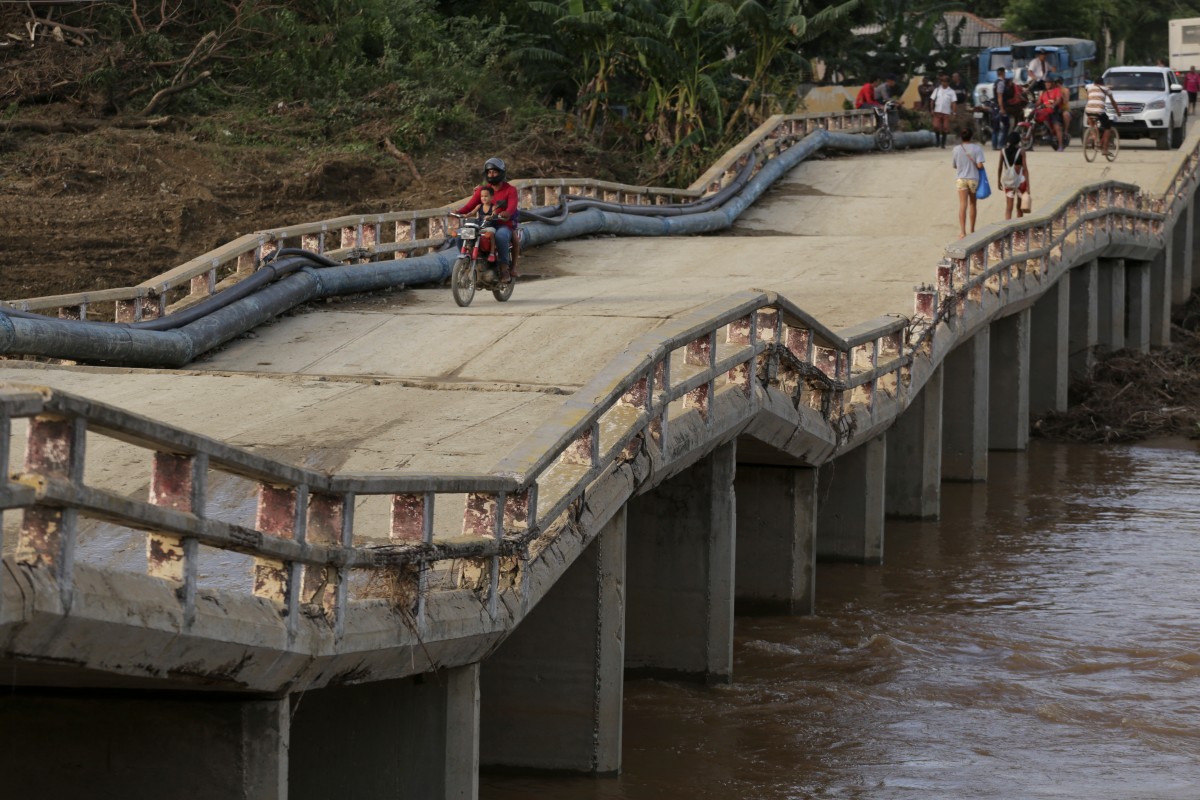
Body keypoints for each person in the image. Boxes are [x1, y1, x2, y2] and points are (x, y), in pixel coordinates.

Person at [456, 157, 519, 279]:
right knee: (461, 235)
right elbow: (470, 205)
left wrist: (507, 213)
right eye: (489, 172)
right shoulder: (483, 190)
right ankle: (468, 261)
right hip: (484, 224)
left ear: (501, 173)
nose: (492, 174)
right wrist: (457, 212)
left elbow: (512, 206)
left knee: (500, 236)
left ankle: (504, 267)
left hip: (502, 224)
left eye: (495, 172)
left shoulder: (510, 190)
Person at [952, 127, 987, 238]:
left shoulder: (956, 149)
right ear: (971, 137)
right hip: (973, 179)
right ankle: (972, 229)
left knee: (963, 204)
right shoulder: (977, 148)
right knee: (973, 204)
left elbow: (954, 165)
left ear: (961, 137)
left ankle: (962, 231)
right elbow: (980, 165)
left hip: (961, 179)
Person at [997, 131, 1030, 220]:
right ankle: (1018, 233)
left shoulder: (1003, 151)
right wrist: (1028, 186)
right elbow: (1025, 169)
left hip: (1008, 181)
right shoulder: (1021, 151)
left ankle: (1007, 228)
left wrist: (998, 181)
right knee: (1019, 208)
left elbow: (999, 168)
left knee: (1009, 208)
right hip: (1020, 181)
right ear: (1018, 141)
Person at [1084, 75, 1117, 157]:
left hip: (1088, 110)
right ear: (1102, 83)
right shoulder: (1106, 89)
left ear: (1094, 83)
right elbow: (1113, 102)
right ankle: (1105, 149)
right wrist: (1118, 112)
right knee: (1107, 127)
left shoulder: (1089, 87)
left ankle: (1094, 136)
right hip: (1099, 111)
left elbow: (1087, 87)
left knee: (1091, 122)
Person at [1034, 75, 1066, 151]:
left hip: (1053, 111)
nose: (1047, 84)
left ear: (1052, 83)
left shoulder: (1057, 90)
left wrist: (1054, 105)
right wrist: (1032, 105)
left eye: (1049, 83)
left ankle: (1061, 145)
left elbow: (1058, 100)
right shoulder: (1044, 93)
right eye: (1046, 83)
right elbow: (1038, 102)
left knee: (1057, 127)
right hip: (1044, 112)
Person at [930, 74, 957, 148]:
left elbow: (954, 103)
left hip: (946, 112)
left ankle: (943, 143)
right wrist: (932, 109)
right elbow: (932, 100)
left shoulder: (951, 92)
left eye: (945, 82)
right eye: (942, 81)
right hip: (937, 111)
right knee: (936, 126)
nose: (943, 83)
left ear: (948, 83)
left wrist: (954, 113)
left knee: (945, 128)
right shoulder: (937, 90)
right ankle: (937, 141)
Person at [991, 66, 1013, 149]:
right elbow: (1000, 96)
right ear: (1003, 73)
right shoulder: (1001, 83)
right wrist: (1002, 108)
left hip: (995, 107)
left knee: (995, 127)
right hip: (1000, 107)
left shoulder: (995, 82)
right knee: (1006, 125)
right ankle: (1001, 144)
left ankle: (994, 145)